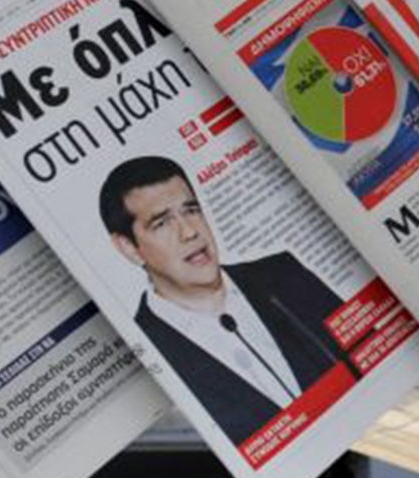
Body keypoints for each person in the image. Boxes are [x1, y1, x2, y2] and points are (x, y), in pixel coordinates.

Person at [100, 156, 355, 442]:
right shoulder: (143, 352)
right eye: (161, 223)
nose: (190, 232)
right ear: (128, 247)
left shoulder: (283, 275)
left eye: (192, 210)